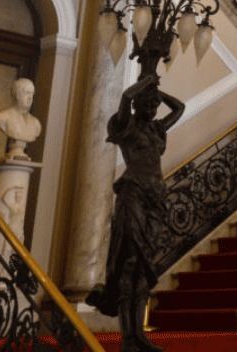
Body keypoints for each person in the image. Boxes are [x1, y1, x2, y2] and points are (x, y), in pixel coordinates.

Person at [86, 74, 184, 352]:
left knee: (146, 266)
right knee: (130, 260)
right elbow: (126, 99)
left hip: (156, 197)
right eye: (148, 104)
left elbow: (180, 108)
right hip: (133, 194)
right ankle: (128, 337)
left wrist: (158, 91)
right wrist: (146, 82)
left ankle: (139, 334)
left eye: (155, 106)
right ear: (138, 105)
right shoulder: (125, 126)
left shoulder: (157, 129)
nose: (153, 109)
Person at [0, 78, 42, 159]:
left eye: (32, 94)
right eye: (27, 93)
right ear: (17, 94)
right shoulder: (3, 117)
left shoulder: (36, 124)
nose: (30, 97)